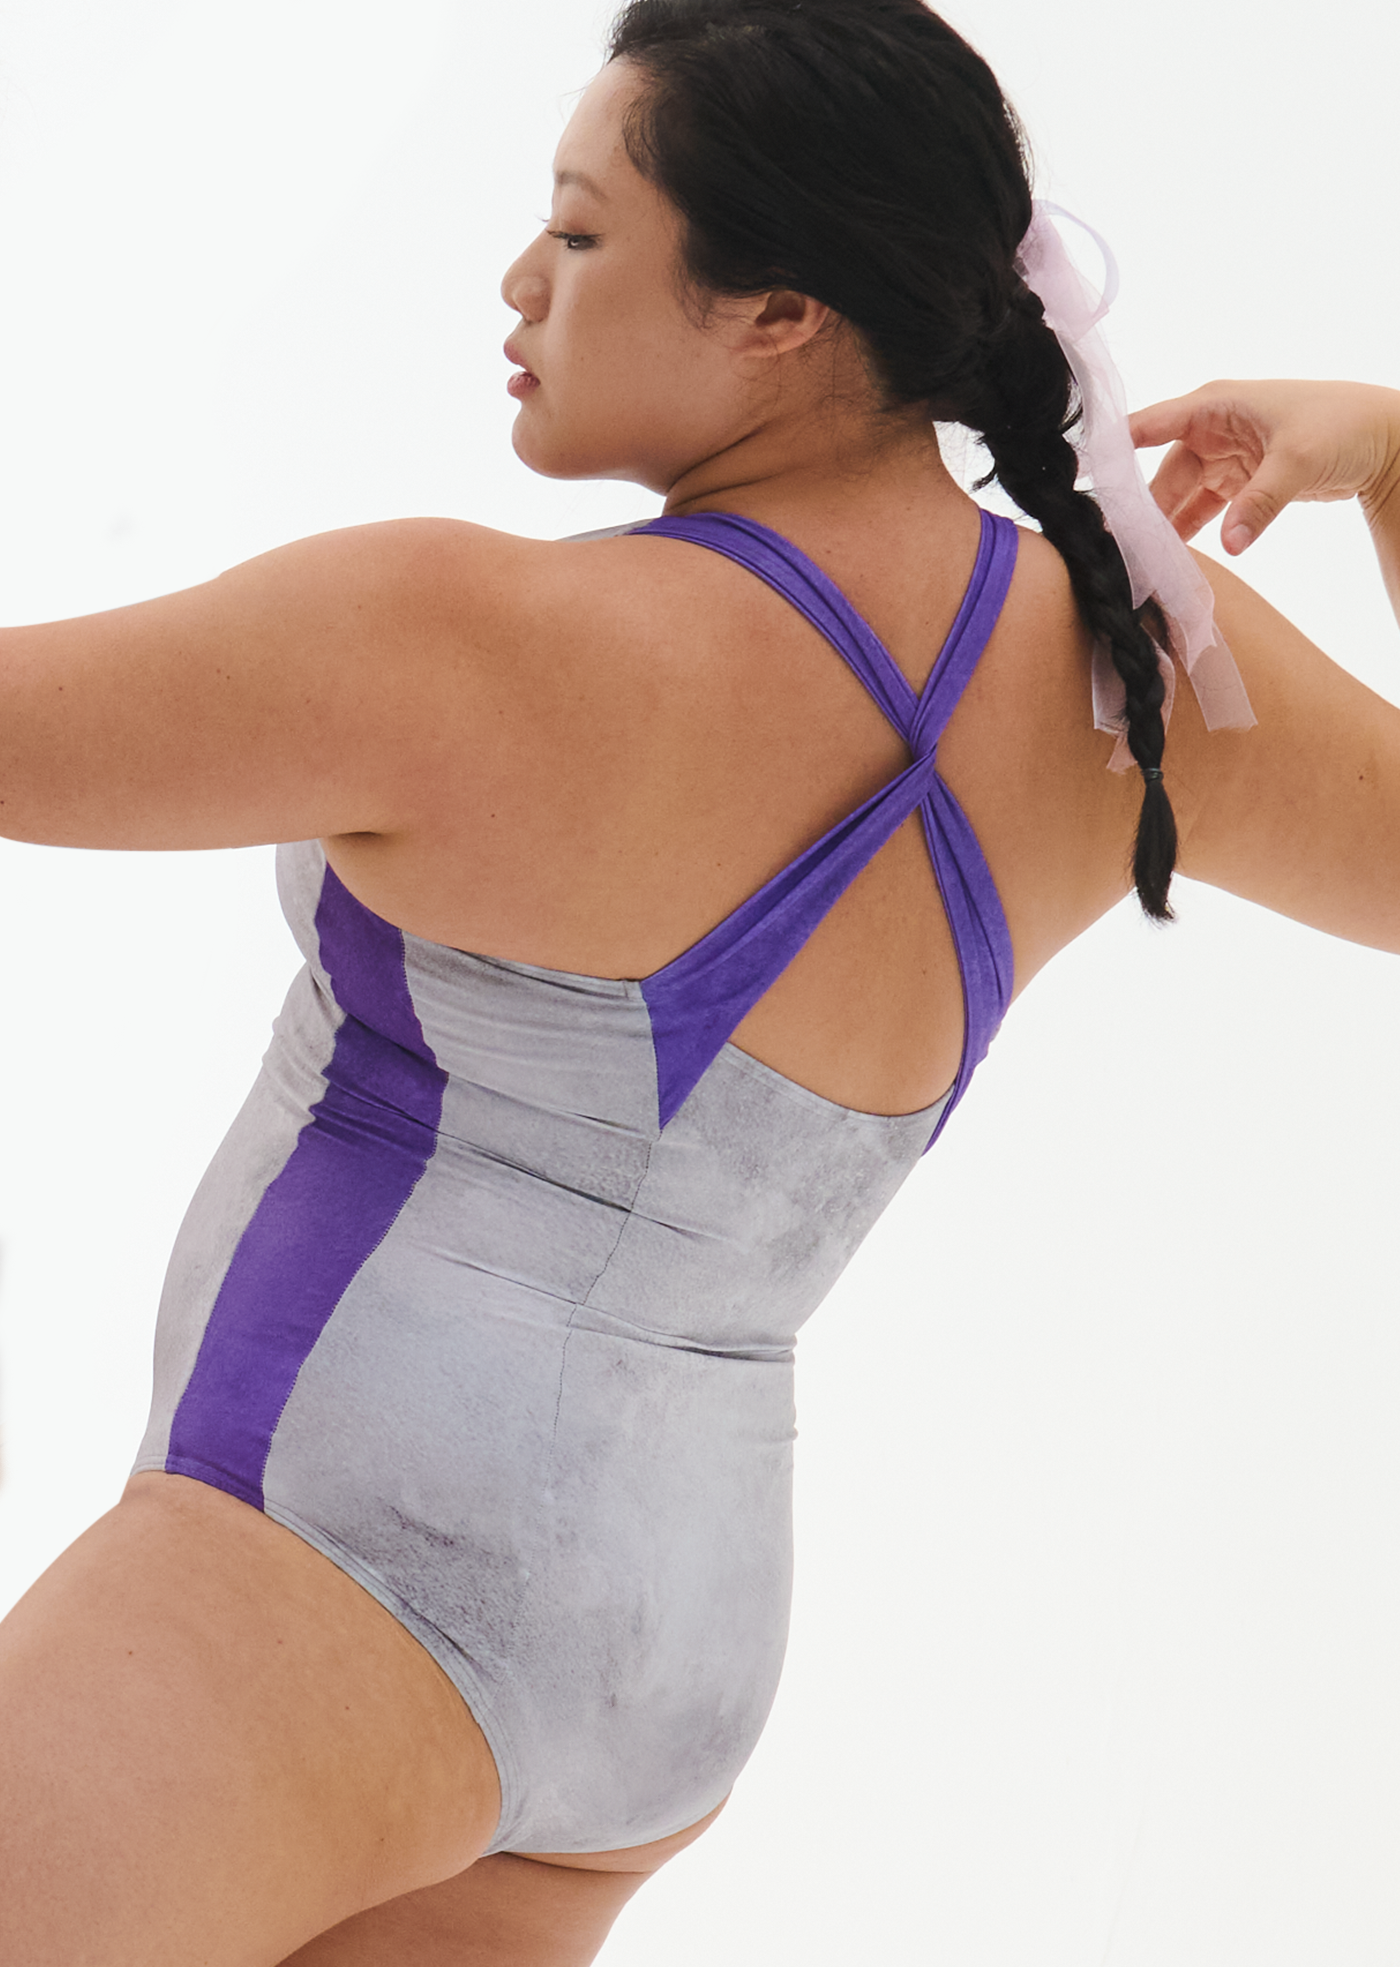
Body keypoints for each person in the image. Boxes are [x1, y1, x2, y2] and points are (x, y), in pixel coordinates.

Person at [0, 0, 1396, 1960]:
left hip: (323, 1559)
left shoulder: (469, 638)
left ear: (776, 314)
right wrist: (1397, 454)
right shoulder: (1128, 656)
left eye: (577, 235)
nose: (516, 281)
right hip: (670, 1658)